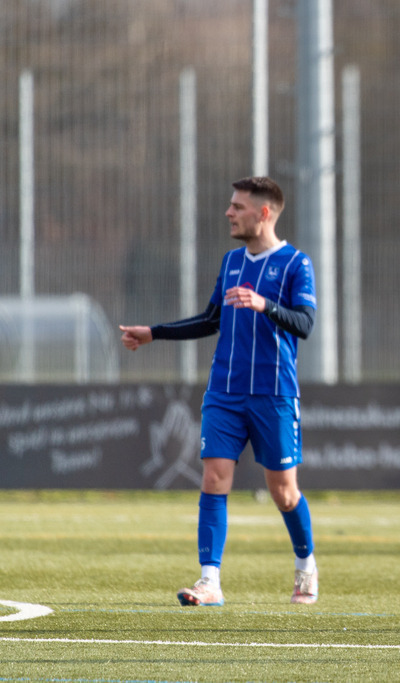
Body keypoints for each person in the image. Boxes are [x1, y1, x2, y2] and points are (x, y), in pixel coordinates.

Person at [120, 176, 320, 605]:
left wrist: (265, 304)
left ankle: (306, 567)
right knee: (213, 479)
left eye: (237, 206)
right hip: (224, 394)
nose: (229, 212)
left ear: (263, 212)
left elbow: (304, 324)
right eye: (230, 205)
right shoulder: (231, 261)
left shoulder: (296, 264)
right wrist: (153, 333)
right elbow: (211, 319)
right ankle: (209, 581)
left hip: (274, 394)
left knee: (283, 491)